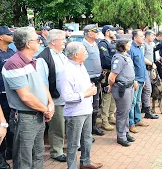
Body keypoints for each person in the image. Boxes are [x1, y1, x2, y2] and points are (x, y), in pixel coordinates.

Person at [2, 27, 55, 169]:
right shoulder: (14, 64)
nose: (40, 42)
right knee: (23, 158)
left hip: (38, 115)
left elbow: (42, 84)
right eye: (37, 40)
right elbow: (25, 97)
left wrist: (50, 104)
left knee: (38, 155)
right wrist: (46, 109)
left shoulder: (32, 60)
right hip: (25, 118)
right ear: (28, 44)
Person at [60, 42, 103, 169]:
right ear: (76, 54)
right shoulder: (66, 71)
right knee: (73, 143)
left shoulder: (81, 66)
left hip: (86, 108)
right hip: (75, 112)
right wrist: (85, 94)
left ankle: (86, 161)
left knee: (87, 138)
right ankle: (72, 166)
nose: (87, 54)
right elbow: (66, 97)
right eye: (84, 51)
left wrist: (90, 89)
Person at [36, 29, 68, 162]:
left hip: (66, 98)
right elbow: (42, 82)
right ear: (54, 41)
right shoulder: (43, 58)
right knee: (57, 127)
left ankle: (63, 146)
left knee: (64, 125)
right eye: (63, 39)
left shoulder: (61, 54)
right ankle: (56, 151)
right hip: (55, 99)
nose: (65, 42)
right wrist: (49, 102)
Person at [108, 39, 136, 146]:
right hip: (122, 88)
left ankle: (125, 132)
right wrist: (111, 86)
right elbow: (111, 77)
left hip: (129, 86)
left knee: (127, 111)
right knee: (122, 113)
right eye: (127, 43)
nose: (129, 45)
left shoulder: (126, 56)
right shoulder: (118, 58)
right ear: (122, 46)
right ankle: (121, 136)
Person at [82, 24, 105, 136]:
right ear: (90, 33)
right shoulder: (82, 45)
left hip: (97, 79)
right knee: (87, 105)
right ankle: (87, 130)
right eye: (95, 32)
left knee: (96, 104)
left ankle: (93, 126)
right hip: (88, 80)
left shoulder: (95, 44)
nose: (97, 34)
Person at [127, 29, 149, 133]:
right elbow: (130, 67)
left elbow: (141, 64)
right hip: (135, 81)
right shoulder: (131, 49)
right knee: (132, 102)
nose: (143, 38)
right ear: (135, 38)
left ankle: (138, 119)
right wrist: (134, 79)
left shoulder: (140, 48)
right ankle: (131, 123)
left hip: (141, 79)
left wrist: (144, 78)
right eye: (141, 36)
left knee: (137, 101)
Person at [98, 25, 117, 131]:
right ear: (107, 32)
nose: (114, 33)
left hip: (114, 72)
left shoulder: (112, 43)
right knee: (107, 96)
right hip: (107, 72)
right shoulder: (102, 44)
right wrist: (116, 65)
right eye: (112, 31)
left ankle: (111, 116)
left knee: (114, 95)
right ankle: (104, 120)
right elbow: (105, 59)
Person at [0, 26, 14, 169]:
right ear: (1, 37)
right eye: (8, 34)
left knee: (11, 127)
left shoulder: (11, 52)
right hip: (1, 96)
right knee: (1, 127)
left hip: (11, 95)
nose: (12, 36)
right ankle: (1, 158)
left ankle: (10, 151)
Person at [141, 30, 159, 119]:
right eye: (152, 35)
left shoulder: (151, 45)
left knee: (147, 90)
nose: (153, 37)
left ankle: (145, 107)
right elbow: (142, 57)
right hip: (144, 69)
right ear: (147, 36)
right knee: (148, 90)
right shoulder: (143, 45)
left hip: (150, 69)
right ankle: (147, 110)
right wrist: (151, 64)